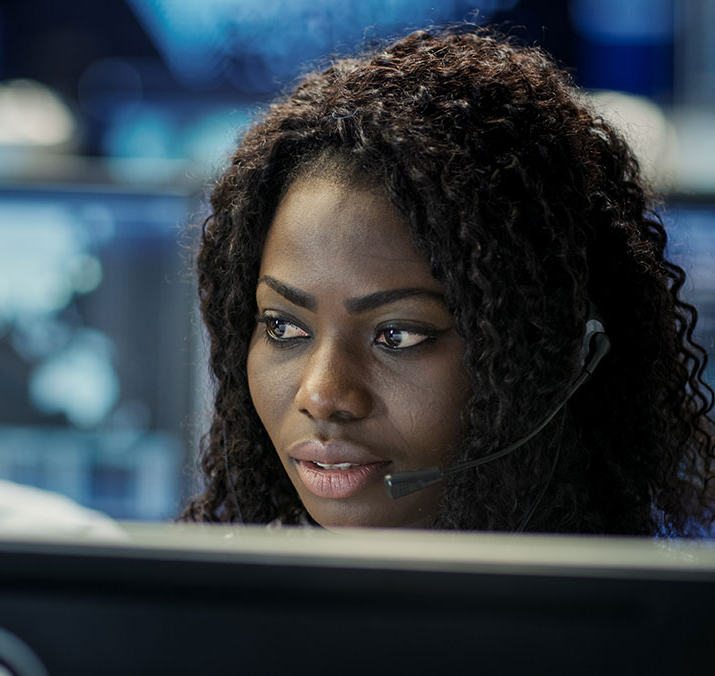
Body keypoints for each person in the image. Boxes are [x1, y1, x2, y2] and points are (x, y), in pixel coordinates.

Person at [183, 27, 715, 535]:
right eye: (282, 327)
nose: (321, 395)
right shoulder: (205, 614)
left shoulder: (646, 625)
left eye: (397, 335)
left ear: (562, 355)